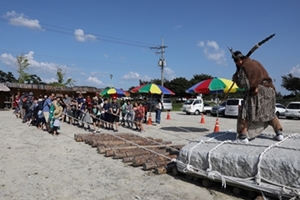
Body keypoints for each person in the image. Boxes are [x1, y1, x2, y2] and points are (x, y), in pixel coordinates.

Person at [231, 51, 284, 143]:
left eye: (235, 61)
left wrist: (236, 80)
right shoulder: (256, 62)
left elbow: (245, 85)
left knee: (245, 112)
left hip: (257, 91)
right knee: (268, 112)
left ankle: (243, 136)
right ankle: (279, 132)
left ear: (239, 60)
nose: (236, 64)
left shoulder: (245, 67)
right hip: (270, 90)